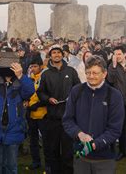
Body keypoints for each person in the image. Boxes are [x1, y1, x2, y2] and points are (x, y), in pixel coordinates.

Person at [63, 56, 125, 173]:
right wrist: (79, 134)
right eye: (88, 73)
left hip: (104, 159)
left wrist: (95, 144)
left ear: (104, 73)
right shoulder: (76, 91)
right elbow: (67, 120)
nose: (91, 76)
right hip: (81, 157)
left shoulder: (114, 95)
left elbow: (115, 129)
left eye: (95, 73)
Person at [37, 45, 80, 174]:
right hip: (52, 118)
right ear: (50, 56)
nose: (56, 55)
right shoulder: (46, 73)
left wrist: (72, 97)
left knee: (68, 152)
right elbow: (40, 92)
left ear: (62, 55)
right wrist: (48, 98)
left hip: (68, 118)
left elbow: (78, 88)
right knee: (53, 150)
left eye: (59, 52)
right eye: (54, 53)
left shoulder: (71, 71)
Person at [26, 54, 48, 171]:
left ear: (41, 66)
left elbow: (48, 96)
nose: (33, 68)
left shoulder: (45, 77)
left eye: (35, 66)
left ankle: (48, 162)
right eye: (31, 66)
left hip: (43, 114)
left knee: (46, 140)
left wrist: (38, 105)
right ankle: (36, 161)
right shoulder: (30, 78)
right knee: (33, 140)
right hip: (31, 114)